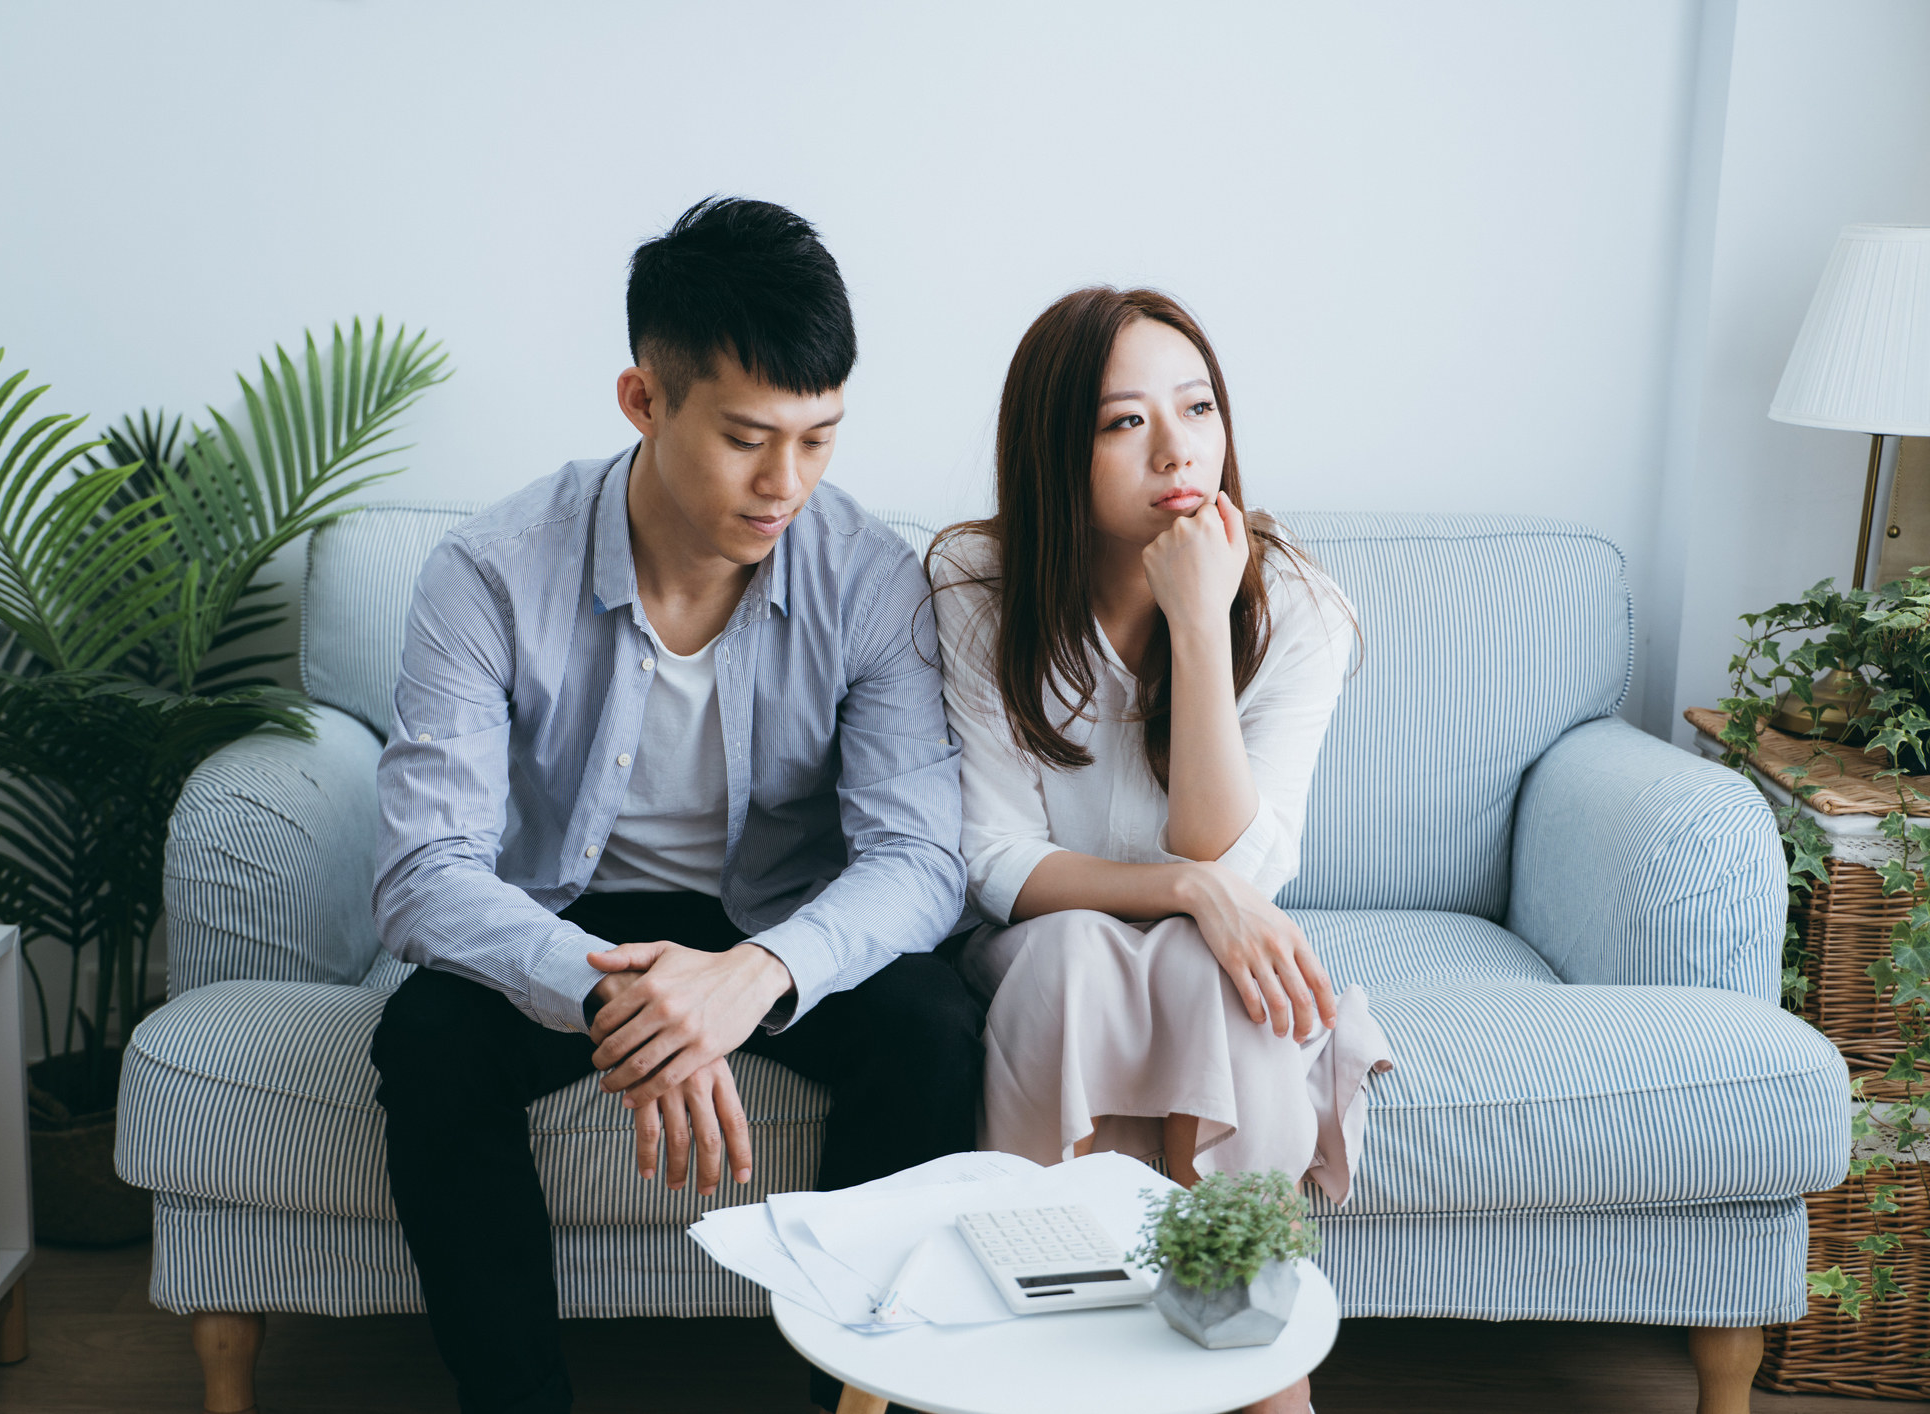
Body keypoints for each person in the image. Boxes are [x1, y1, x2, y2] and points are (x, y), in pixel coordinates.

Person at [369, 196, 981, 1414]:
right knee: (426, 1043)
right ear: (642, 401)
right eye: (749, 437)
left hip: (775, 918)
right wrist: (616, 993)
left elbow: (918, 857)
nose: (786, 483)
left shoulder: (871, 577)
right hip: (570, 917)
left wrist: (749, 975)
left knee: (932, 1031)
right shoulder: (489, 572)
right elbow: (423, 870)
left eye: (818, 438)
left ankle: (849, 1403)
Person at [929, 286, 1392, 1414]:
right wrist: (1185, 887)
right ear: (1055, 450)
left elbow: (1238, 867)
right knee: (1076, 959)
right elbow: (993, 860)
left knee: (1221, 974)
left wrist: (1197, 619)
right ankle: (1048, 1350)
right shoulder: (973, 586)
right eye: (1123, 421)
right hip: (1044, 940)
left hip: (1211, 948)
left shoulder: (1294, 603)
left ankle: (1254, 1370)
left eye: (1197, 407)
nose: (1178, 448)